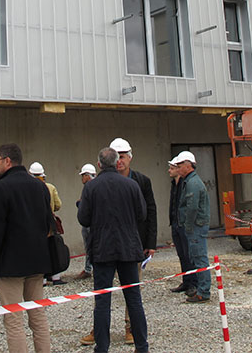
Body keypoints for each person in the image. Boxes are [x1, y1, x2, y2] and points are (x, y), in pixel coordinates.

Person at [81, 137, 156, 346]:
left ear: (98, 165)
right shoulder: (131, 185)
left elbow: (83, 219)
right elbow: (142, 214)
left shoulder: (91, 187)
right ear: (116, 162)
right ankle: (142, 346)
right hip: (129, 250)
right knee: (134, 300)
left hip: (102, 250)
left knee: (102, 301)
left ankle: (102, 347)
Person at [0, 143, 53, 353]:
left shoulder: (0, 188)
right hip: (37, 261)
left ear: (7, 161)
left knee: (13, 321)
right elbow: (49, 224)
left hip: (10, 265)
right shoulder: (40, 186)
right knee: (38, 317)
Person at [175, 151, 211, 303]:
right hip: (196, 226)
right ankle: (201, 289)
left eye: (179, 165)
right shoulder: (190, 182)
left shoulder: (192, 183)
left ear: (188, 165)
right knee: (196, 257)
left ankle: (203, 292)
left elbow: (192, 207)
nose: (177, 168)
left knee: (199, 258)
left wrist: (188, 226)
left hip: (196, 226)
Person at [28, 161, 65, 285]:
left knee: (39, 250)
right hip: (50, 223)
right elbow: (58, 205)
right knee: (53, 249)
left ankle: (42, 278)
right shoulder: (50, 187)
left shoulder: (28, 188)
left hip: (34, 225)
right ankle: (56, 277)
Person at [167, 154, 195, 296]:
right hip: (176, 224)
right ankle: (186, 281)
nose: (169, 171)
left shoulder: (187, 184)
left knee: (188, 254)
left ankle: (193, 283)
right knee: (181, 255)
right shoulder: (175, 185)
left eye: (172, 168)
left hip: (183, 225)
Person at [74, 163, 97, 280]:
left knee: (90, 246)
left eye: (83, 175)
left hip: (90, 223)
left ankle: (89, 269)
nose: (82, 178)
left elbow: (86, 205)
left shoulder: (89, 187)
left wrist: (79, 204)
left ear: (87, 175)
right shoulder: (98, 185)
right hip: (96, 223)